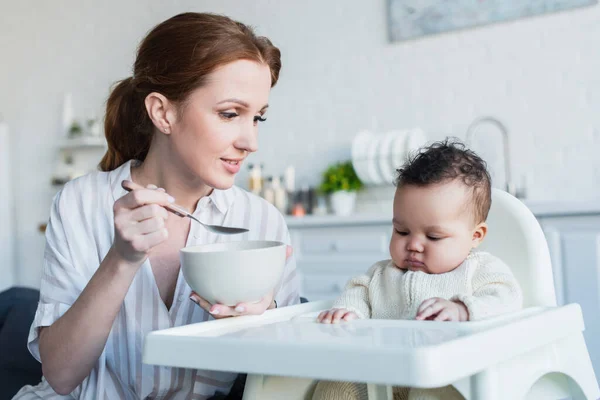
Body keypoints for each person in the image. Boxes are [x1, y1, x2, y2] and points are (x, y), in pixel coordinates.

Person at [13, 12, 300, 399]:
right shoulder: (81, 203)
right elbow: (62, 376)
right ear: (163, 112)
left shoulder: (262, 224)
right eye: (230, 114)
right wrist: (121, 259)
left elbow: (285, 379)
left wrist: (266, 324)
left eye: (258, 117)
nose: (251, 141)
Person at [312, 140, 523, 400]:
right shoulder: (381, 274)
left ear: (475, 236)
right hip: (380, 374)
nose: (412, 245)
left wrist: (463, 309)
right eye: (401, 231)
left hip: (447, 374)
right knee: (333, 388)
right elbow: (358, 293)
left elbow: (507, 298)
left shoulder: (479, 270)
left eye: (433, 237)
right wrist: (348, 311)